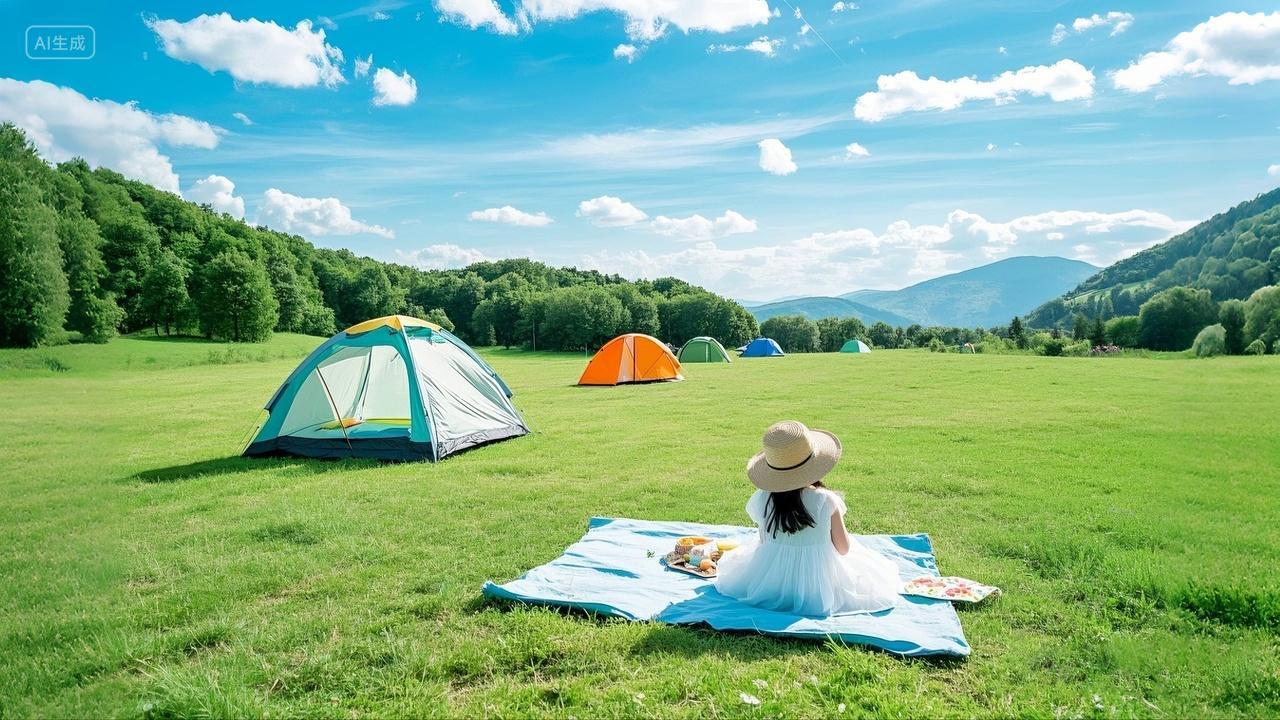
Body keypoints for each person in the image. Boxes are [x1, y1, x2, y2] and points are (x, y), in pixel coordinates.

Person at [714, 420, 901, 616]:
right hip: (817, 587)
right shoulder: (825, 500)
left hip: (772, 582)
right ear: (815, 465)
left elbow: (764, 541)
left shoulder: (763, 498)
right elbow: (843, 549)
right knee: (871, 572)